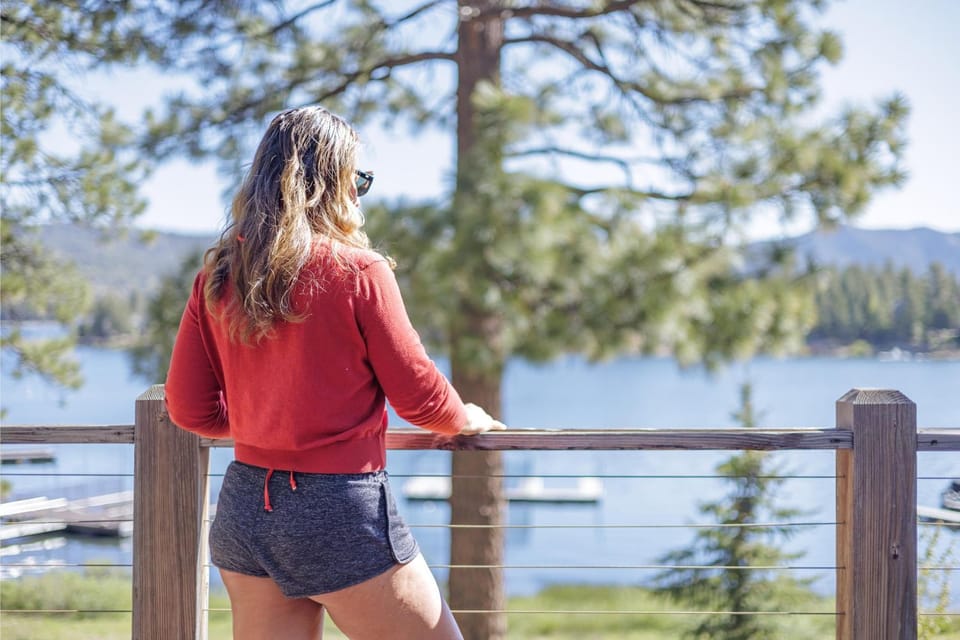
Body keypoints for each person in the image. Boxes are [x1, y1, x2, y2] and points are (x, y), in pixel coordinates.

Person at [165, 105, 505, 640]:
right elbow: (418, 397)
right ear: (334, 183)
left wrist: (267, 424)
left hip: (246, 511)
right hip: (338, 514)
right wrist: (466, 419)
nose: (361, 194)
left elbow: (188, 410)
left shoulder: (219, 273)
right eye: (359, 179)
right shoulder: (358, 270)